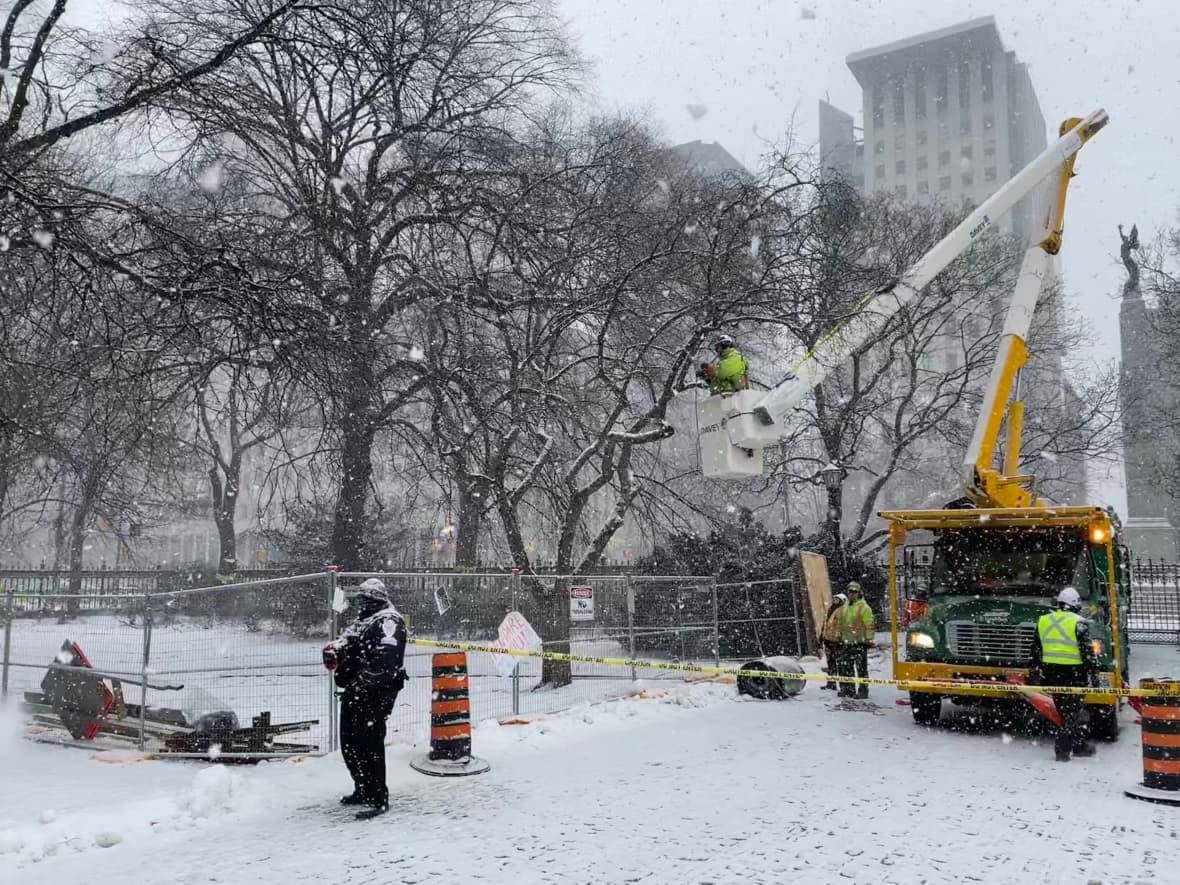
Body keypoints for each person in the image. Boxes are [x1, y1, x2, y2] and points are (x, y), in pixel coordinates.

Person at [322, 578, 408, 818]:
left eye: (367, 599)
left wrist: (364, 682)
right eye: (362, 599)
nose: (363, 604)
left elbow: (387, 659)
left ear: (377, 599)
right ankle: (363, 788)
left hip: (375, 693)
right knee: (350, 741)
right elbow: (348, 640)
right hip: (356, 690)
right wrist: (335, 649)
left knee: (370, 743)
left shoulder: (388, 620)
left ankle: (378, 797)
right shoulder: (365, 619)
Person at [1028, 586, 1098, 762]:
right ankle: (1063, 750)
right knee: (1072, 713)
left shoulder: (1043, 620)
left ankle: (1078, 745)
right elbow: (1087, 651)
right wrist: (1093, 673)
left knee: (1065, 712)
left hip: (1051, 673)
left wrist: (1034, 669)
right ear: (1075, 604)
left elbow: (1035, 649)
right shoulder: (1079, 622)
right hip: (1075, 674)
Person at [837, 581, 875, 699]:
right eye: (850, 592)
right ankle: (848, 689)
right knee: (846, 667)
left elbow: (869, 625)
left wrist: (869, 639)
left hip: (859, 642)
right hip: (846, 642)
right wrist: (838, 636)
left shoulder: (864, 608)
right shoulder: (844, 607)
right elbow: (840, 623)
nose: (852, 594)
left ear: (859, 593)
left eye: (855, 592)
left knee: (861, 669)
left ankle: (863, 691)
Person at [821, 593, 848, 690]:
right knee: (831, 663)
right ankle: (831, 683)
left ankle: (843, 686)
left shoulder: (843, 611)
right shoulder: (831, 609)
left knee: (840, 665)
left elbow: (841, 626)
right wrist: (822, 636)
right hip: (828, 640)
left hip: (837, 642)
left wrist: (839, 639)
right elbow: (826, 624)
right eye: (835, 599)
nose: (835, 601)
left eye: (837, 600)